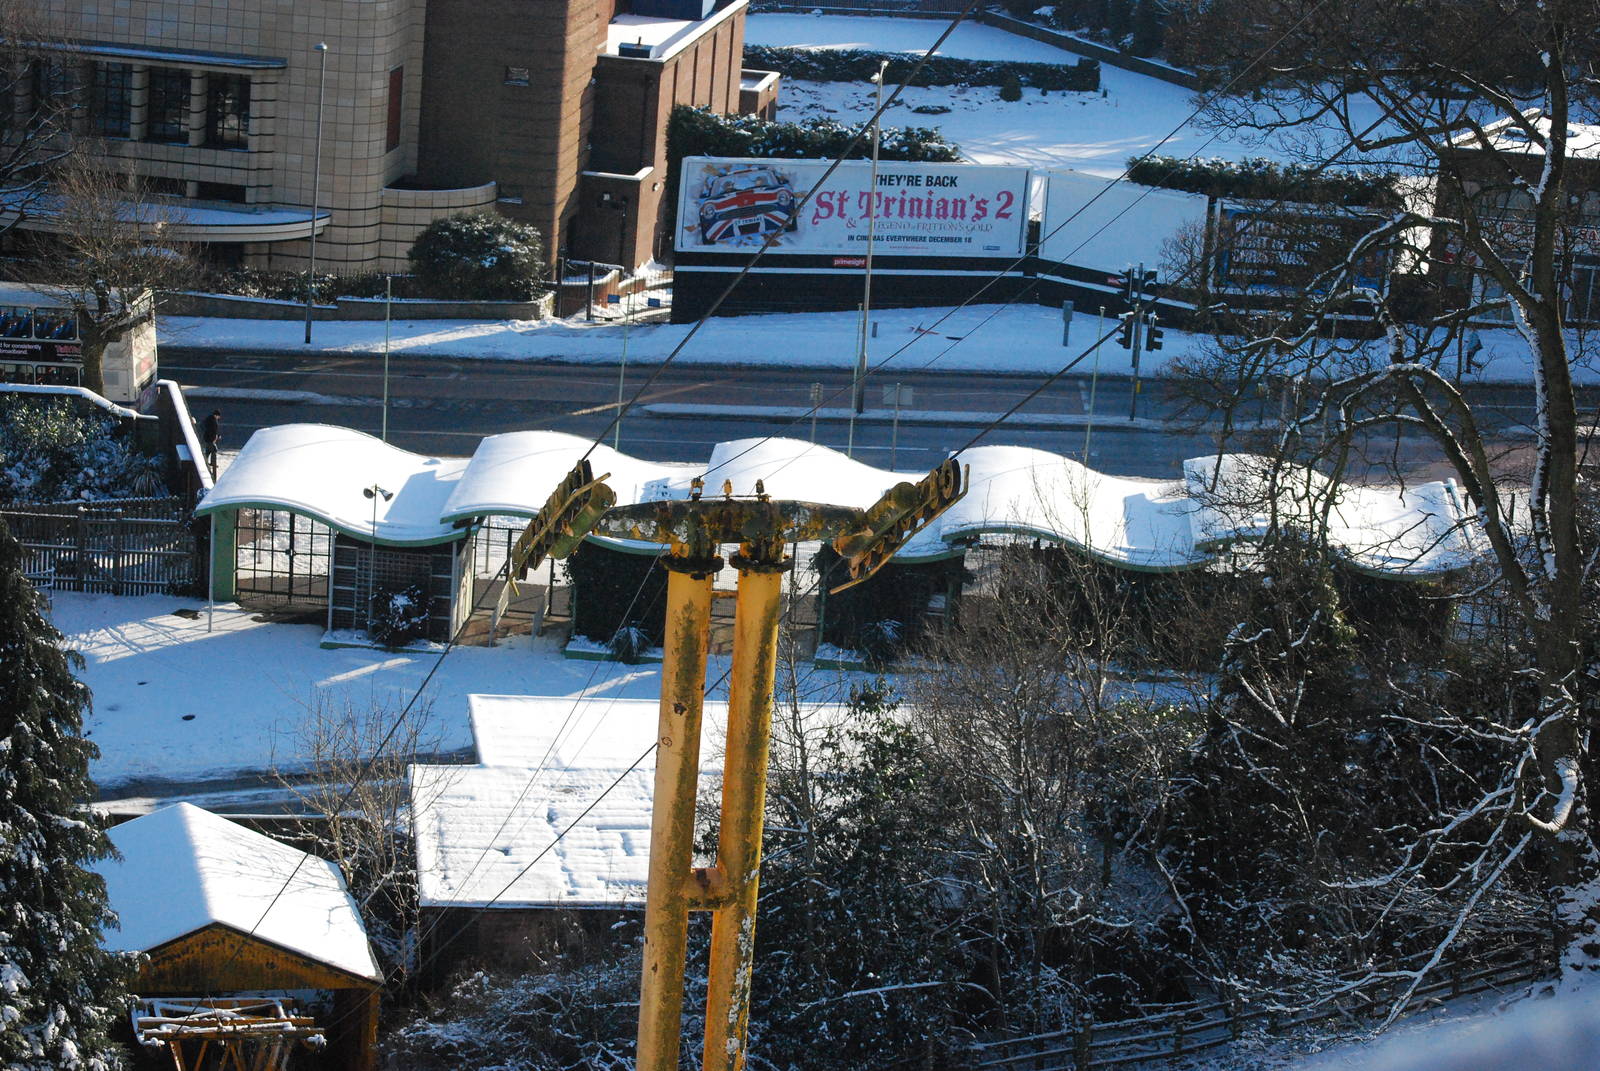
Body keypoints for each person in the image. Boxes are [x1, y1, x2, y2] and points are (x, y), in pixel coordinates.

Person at [200, 409, 221, 476]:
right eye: (218, 416)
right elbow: (213, 430)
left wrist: (217, 435)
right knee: (214, 449)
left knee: (208, 451)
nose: (219, 417)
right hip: (210, 439)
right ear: (216, 415)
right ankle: (211, 463)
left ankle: (204, 462)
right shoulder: (212, 421)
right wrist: (215, 437)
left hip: (208, 438)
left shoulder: (210, 419)